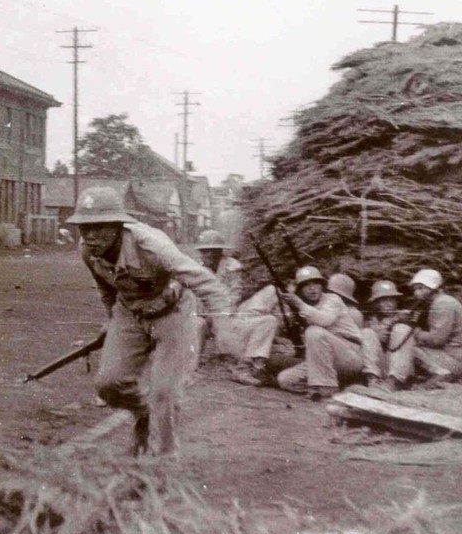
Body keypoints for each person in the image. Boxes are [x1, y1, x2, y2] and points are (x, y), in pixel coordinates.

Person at [67, 187, 231, 457]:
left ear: (118, 226)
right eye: (84, 228)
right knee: (108, 384)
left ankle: (165, 459)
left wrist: (223, 327)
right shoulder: (87, 251)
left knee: (164, 392)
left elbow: (205, 282)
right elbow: (106, 289)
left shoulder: (151, 245)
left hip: (172, 312)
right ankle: (142, 412)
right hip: (130, 311)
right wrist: (112, 322)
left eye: (99, 227)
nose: (90, 236)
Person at [195, 229, 280, 386]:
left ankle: (252, 366)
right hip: (205, 316)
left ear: (220, 252)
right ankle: (191, 364)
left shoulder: (232, 268)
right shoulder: (197, 270)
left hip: (227, 313)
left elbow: (235, 295)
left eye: (211, 252)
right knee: (197, 323)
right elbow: (193, 297)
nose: (207, 256)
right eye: (204, 251)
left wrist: (221, 312)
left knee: (268, 321)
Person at [370, 269, 462, 390]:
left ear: (433, 288)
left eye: (421, 288)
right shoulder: (441, 302)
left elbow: (437, 340)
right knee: (405, 342)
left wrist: (414, 332)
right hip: (457, 358)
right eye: (416, 289)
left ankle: (395, 381)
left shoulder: (442, 304)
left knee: (404, 343)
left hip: (455, 361)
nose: (416, 293)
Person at [275, 266, 364, 399]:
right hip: (324, 362)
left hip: (349, 356)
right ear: (300, 290)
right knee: (285, 379)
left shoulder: (333, 299)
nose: (312, 288)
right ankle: (329, 388)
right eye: (306, 285)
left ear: (322, 285)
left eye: (315, 283)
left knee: (314, 331)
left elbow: (324, 320)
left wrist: (298, 303)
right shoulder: (304, 308)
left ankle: (327, 387)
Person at [359, 279, 414, 390]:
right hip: (381, 368)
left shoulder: (404, 318)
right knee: (366, 333)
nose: (388, 304)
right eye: (384, 300)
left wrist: (396, 320)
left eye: (392, 300)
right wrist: (377, 335)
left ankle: (393, 382)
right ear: (376, 303)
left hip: (401, 371)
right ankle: (372, 380)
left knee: (401, 329)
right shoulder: (370, 322)